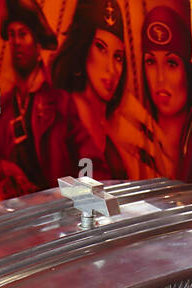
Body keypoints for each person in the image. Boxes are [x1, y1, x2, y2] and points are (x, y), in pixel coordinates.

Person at [0, 0, 101, 200]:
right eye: (12, 35)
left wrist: (79, 200)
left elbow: (91, 164)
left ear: (38, 43)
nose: (16, 42)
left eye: (23, 34)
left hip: (57, 215)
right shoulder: (3, 107)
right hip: (15, 216)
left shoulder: (60, 103)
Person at [51, 0, 131, 179]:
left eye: (118, 57)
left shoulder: (107, 131)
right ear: (83, 47)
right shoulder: (65, 112)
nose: (111, 68)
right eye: (101, 48)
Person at [136, 4, 192, 178]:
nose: (160, 78)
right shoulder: (135, 147)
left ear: (188, 70)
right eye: (150, 62)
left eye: (171, 63)